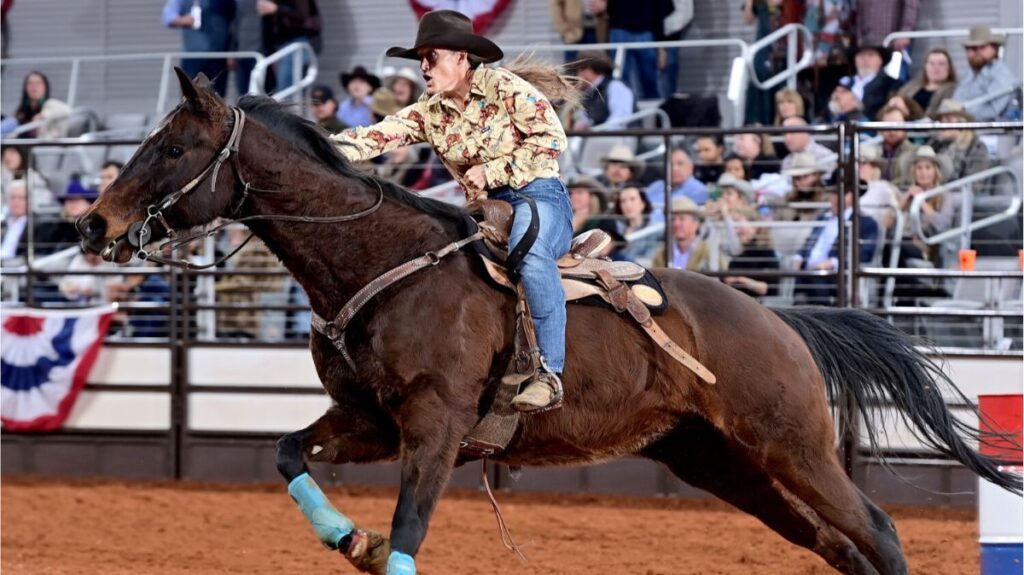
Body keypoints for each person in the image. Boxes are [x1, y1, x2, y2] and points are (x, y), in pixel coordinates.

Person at [331, 10, 576, 413]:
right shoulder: (430, 110)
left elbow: (552, 139)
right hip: (483, 208)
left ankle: (549, 374)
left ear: (462, 58)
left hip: (540, 195)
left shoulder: (504, 87)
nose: (424, 67)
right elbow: (374, 137)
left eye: (432, 56)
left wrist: (492, 170)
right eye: (421, 59)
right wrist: (309, 148)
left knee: (531, 256)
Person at [795, 181, 879, 303]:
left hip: (835, 275)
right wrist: (799, 257)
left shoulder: (866, 222)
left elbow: (865, 253)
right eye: (833, 193)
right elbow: (809, 242)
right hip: (808, 271)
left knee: (815, 279)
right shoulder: (823, 217)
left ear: (853, 196)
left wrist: (834, 262)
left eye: (841, 193)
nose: (835, 197)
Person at [603, 0, 674, 100]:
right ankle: (622, 112)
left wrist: (661, 48)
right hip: (620, 29)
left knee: (649, 79)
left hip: (644, 30)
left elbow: (660, 11)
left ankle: (652, 113)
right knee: (619, 80)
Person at [162, 0, 234, 96]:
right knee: (190, 97)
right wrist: (184, 20)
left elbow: (238, 19)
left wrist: (233, 52)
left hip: (218, 57)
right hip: (193, 57)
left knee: (217, 98)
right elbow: (168, 18)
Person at [898, 145, 954, 264]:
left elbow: (942, 224)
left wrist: (921, 201)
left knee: (897, 249)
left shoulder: (944, 195)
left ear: (935, 171)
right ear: (914, 171)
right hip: (903, 239)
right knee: (891, 247)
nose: (923, 172)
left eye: (928, 168)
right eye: (919, 168)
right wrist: (905, 199)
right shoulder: (907, 193)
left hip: (927, 247)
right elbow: (891, 221)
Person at [953, 26, 1018, 121]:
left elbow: (991, 111)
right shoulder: (969, 75)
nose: (977, 53)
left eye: (982, 47)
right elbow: (955, 101)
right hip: (966, 129)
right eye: (972, 48)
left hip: (994, 132)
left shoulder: (1002, 74)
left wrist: (960, 115)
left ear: (994, 49)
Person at [259, 0, 321, 93]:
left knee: (287, 90)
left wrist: (277, 9)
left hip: (295, 42)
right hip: (280, 46)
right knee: (284, 90)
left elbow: (304, 17)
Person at [651, 196, 724, 271]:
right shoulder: (662, 253)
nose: (676, 224)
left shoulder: (708, 251)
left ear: (696, 224)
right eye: (672, 219)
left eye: (682, 219)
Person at [927, 99, 990, 183]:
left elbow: (974, 183)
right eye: (940, 120)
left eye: (948, 119)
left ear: (961, 122)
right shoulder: (935, 144)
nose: (942, 124)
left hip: (959, 193)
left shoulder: (976, 147)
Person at [722, 206, 778, 298]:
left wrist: (740, 279)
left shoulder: (766, 253)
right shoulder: (740, 253)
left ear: (754, 226)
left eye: (737, 222)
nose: (736, 230)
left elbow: (766, 288)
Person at [572, 51, 635, 130]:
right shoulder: (588, 92)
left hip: (621, 139)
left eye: (579, 70)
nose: (577, 76)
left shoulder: (615, 86)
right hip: (599, 138)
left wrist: (594, 131)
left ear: (589, 70)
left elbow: (620, 121)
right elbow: (588, 118)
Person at [646, 147, 708, 222]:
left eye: (680, 164)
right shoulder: (654, 187)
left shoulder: (699, 190)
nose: (674, 168)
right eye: (670, 164)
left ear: (691, 167)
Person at [35, 179, 96, 255]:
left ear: (88, 203)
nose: (73, 204)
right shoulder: (55, 227)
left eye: (77, 200)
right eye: (70, 200)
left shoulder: (92, 228)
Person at [896, 47, 958, 117]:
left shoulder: (955, 91)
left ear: (949, 67)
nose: (936, 67)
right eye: (932, 63)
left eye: (941, 64)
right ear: (925, 66)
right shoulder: (910, 87)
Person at [11, 71, 71, 139]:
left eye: (38, 83)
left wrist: (43, 115)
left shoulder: (51, 104)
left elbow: (67, 110)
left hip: (43, 146)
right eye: (30, 83)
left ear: (45, 87)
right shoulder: (22, 111)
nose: (34, 86)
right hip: (20, 146)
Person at [612, 184, 660, 265]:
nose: (628, 205)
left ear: (643, 203)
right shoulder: (616, 230)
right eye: (623, 201)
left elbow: (650, 261)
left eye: (632, 199)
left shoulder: (655, 230)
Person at [857, 144, 901, 232]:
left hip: (871, 232)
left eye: (864, 163)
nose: (859, 167)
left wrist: (879, 230)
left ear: (874, 167)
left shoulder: (884, 187)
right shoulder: (848, 187)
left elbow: (894, 213)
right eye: (858, 163)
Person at [1, 145, 55, 211]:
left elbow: (42, 205)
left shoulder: (35, 180)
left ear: (22, 154)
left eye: (12, 152)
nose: (7, 157)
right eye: (4, 154)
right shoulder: (3, 179)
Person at [877, 105, 917, 187]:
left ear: (905, 127)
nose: (892, 130)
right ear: (880, 129)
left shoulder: (915, 153)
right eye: (887, 125)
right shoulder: (872, 153)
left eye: (897, 124)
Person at [1, 180, 29, 261]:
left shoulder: (38, 225)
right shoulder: (3, 222)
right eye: (13, 197)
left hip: (18, 268)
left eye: (21, 198)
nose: (16, 202)